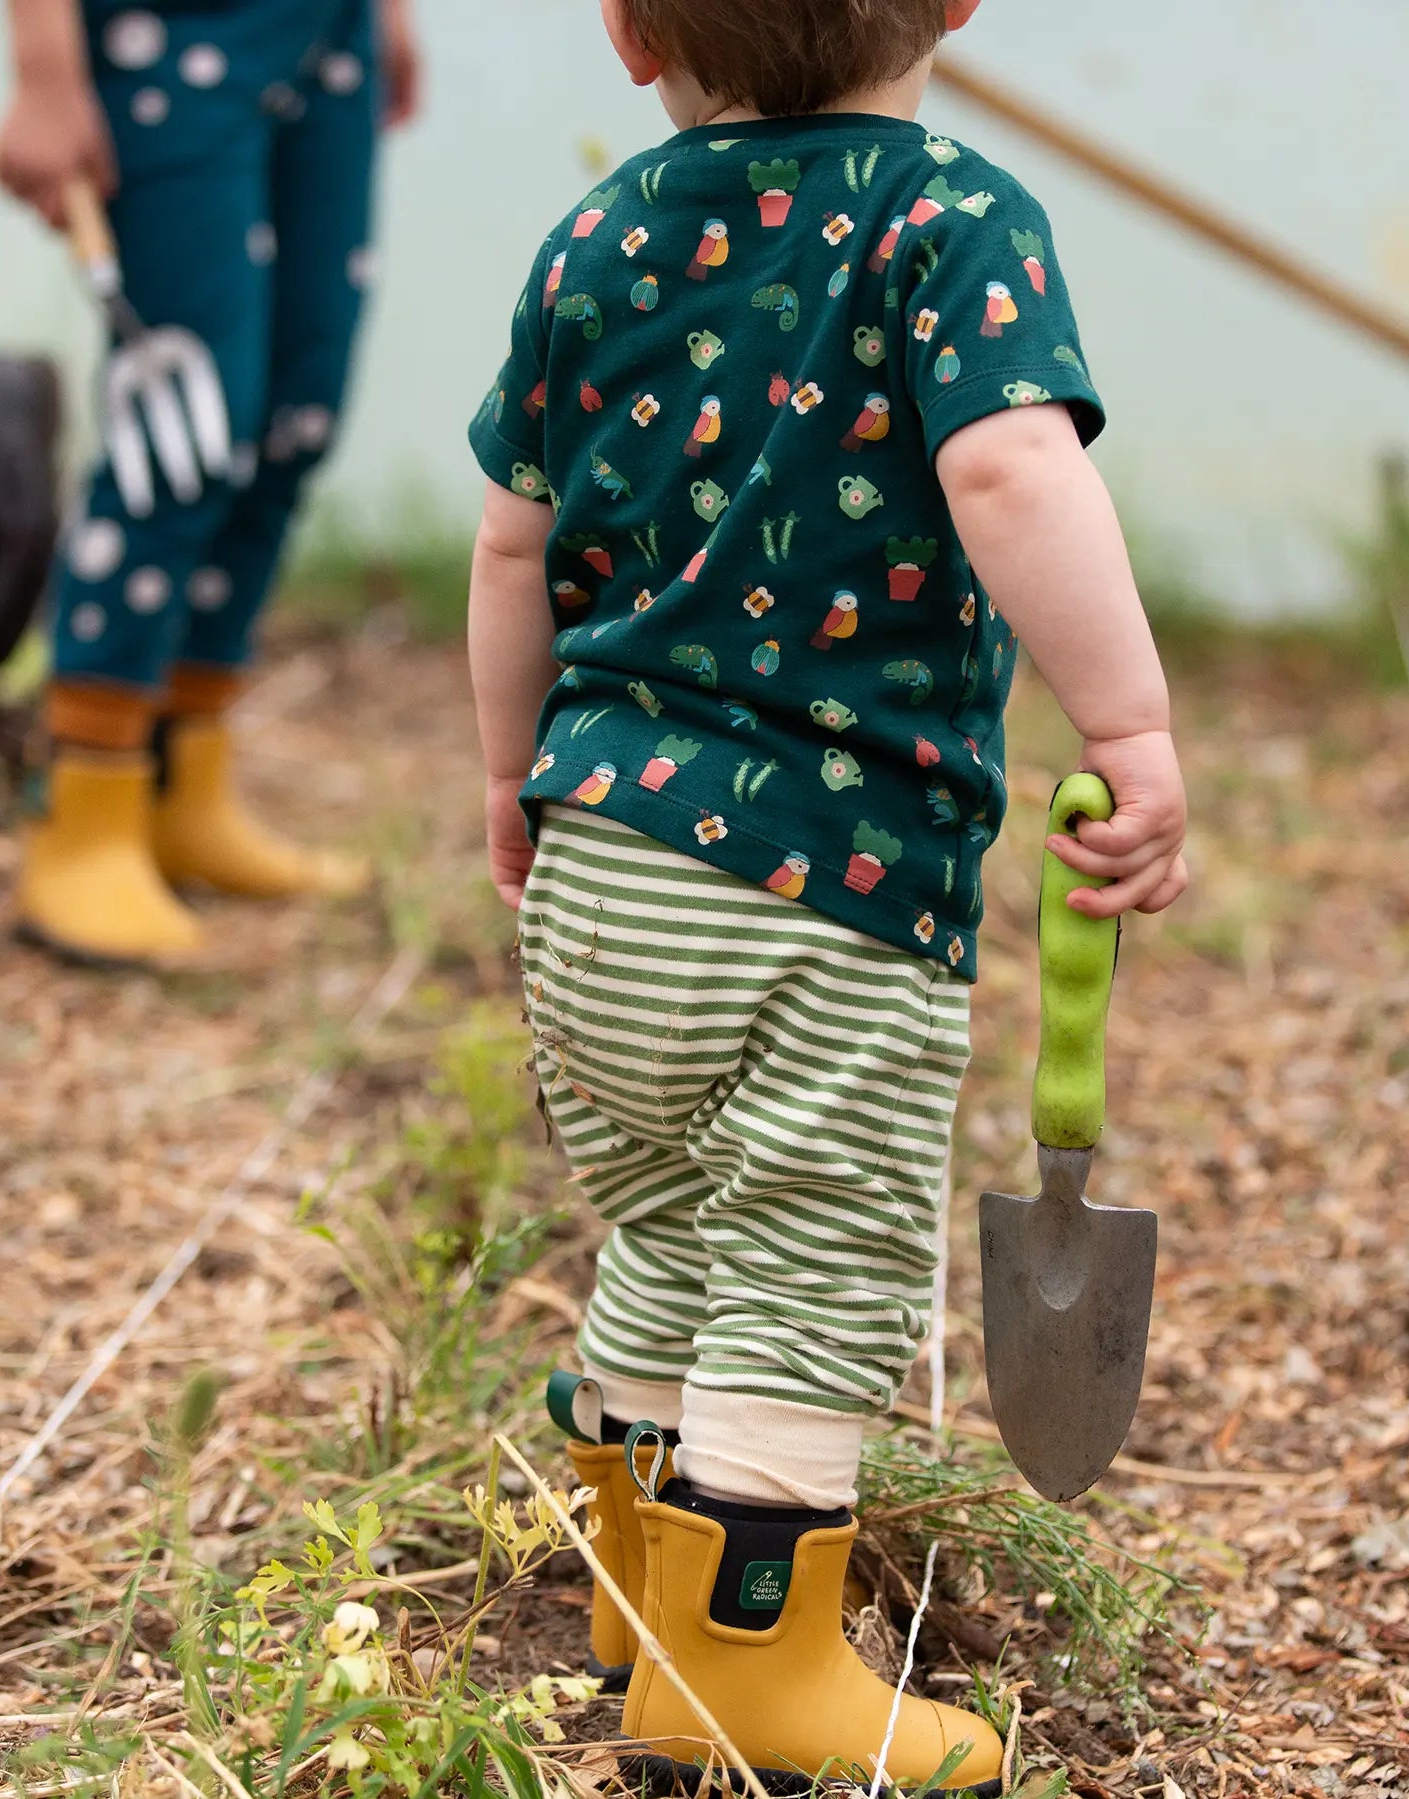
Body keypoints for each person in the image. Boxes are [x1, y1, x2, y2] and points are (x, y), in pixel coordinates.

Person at [467, 0, 1188, 1785]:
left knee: (669, 1224)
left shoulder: (594, 234)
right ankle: (750, 1669)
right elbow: (1009, 464)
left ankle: (643, 1604)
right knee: (809, 1254)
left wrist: (506, 771)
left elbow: (511, 537)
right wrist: (1130, 721)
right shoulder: (951, 218)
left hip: (596, 857)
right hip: (824, 878)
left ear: (628, 34)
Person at [0, 0, 420, 964]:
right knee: (181, 429)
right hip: (170, 34)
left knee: (295, 417)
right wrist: (46, 75)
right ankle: (87, 806)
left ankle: (185, 784)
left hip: (329, 31)